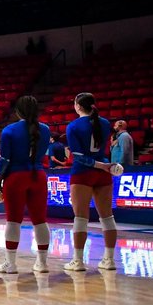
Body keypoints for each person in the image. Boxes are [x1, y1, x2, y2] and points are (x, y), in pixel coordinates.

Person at [0, 96, 51, 274]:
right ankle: (42, 263)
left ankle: (10, 264)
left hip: (16, 177)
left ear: (17, 111)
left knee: (13, 221)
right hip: (38, 176)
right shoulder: (46, 130)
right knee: (40, 220)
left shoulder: (9, 130)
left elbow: (4, 160)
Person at [65, 92, 119, 272]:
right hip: (103, 172)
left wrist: (99, 165)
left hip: (83, 173)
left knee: (80, 218)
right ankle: (109, 259)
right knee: (108, 217)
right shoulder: (104, 123)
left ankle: (78, 261)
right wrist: (104, 165)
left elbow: (79, 156)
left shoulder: (73, 126)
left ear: (78, 106)